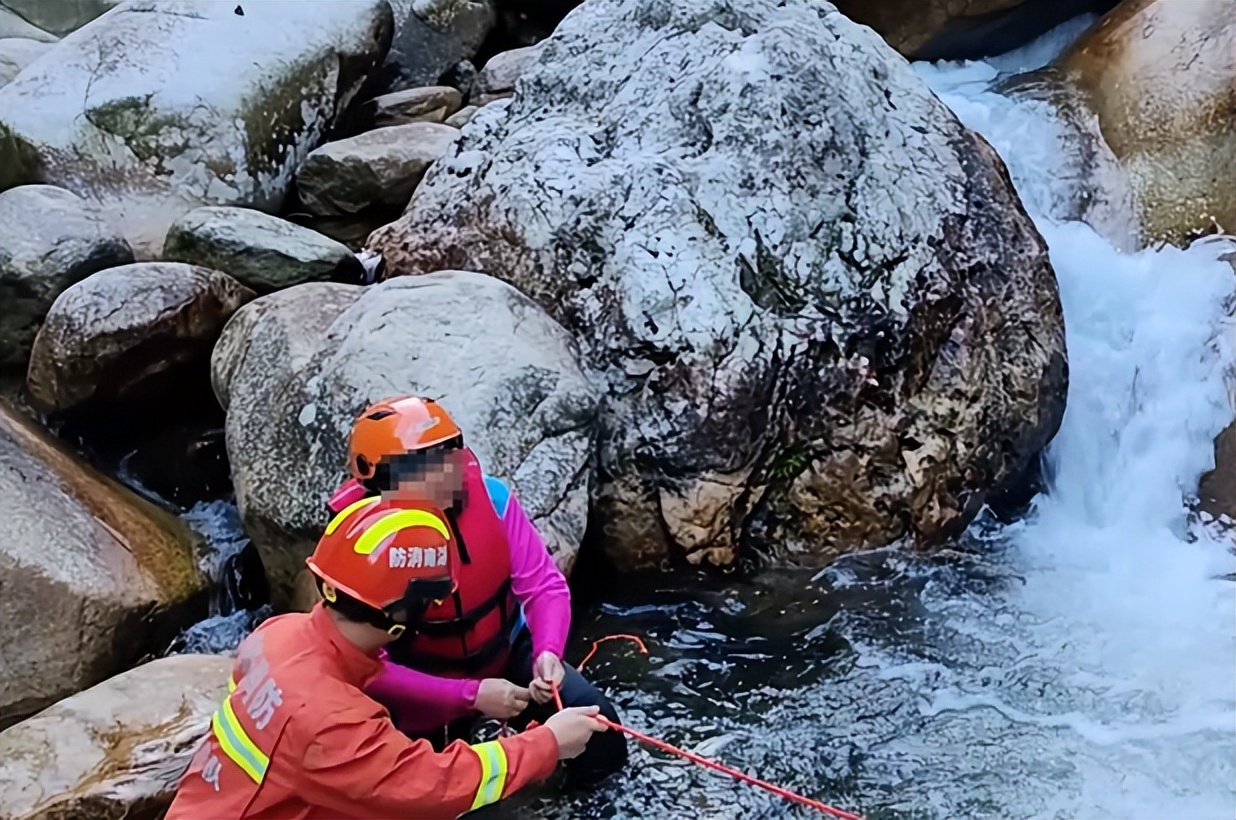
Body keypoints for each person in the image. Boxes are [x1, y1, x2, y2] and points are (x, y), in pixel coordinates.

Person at [165, 497, 607, 820]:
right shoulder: (328, 720)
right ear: (402, 616)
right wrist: (548, 744)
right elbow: (436, 787)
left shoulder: (277, 634)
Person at [327, 395, 629, 788]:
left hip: (503, 651)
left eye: (448, 452)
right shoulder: (360, 546)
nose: (445, 472)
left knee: (597, 725)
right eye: (424, 464)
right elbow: (367, 668)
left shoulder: (492, 499)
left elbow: (545, 585)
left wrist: (548, 652)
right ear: (382, 480)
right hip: (417, 686)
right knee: (428, 791)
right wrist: (471, 695)